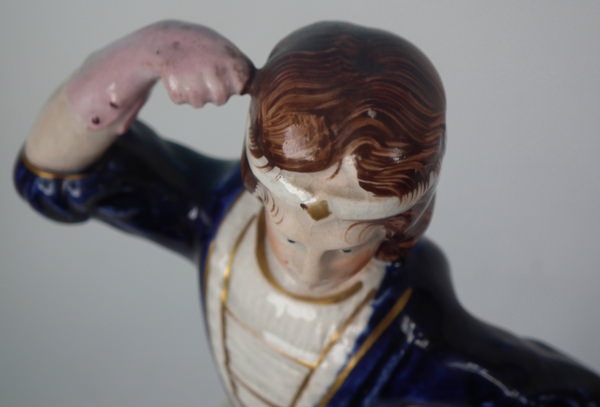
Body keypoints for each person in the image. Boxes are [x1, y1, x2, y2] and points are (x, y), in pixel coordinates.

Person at [14, 20, 600, 407]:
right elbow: (50, 179)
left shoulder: (410, 336)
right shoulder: (218, 218)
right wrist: (142, 55)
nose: (309, 269)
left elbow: (541, 387)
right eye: (291, 237)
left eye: (346, 246)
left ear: (398, 226)